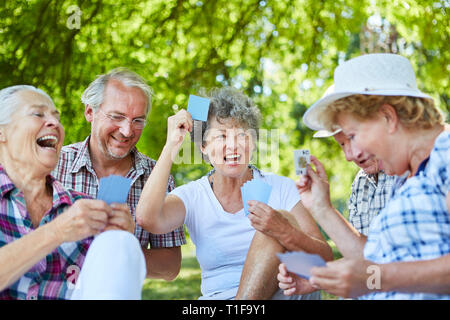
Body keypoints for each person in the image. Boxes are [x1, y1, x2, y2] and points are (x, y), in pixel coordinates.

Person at [136, 86, 333, 300]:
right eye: (221, 136)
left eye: (242, 135)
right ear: (203, 146)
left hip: (284, 295)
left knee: (278, 221)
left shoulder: (282, 188)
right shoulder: (193, 196)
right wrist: (171, 145)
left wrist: (286, 231)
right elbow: (147, 218)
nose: (233, 146)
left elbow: (325, 260)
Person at [279, 53, 450, 299]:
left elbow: (378, 273)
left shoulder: (445, 153)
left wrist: (376, 278)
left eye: (352, 135)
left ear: (388, 117)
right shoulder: (405, 177)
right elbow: (376, 261)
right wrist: (321, 276)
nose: (352, 154)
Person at [0, 85, 145, 300]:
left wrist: (120, 239)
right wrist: (57, 231)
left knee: (120, 243)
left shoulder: (84, 210)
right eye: (37, 114)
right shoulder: (72, 219)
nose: (54, 123)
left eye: (56, 117)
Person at [52, 68, 186, 281]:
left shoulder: (156, 178)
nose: (127, 131)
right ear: (90, 112)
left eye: (138, 120)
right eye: (117, 117)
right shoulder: (54, 165)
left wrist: (124, 248)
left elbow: (170, 266)